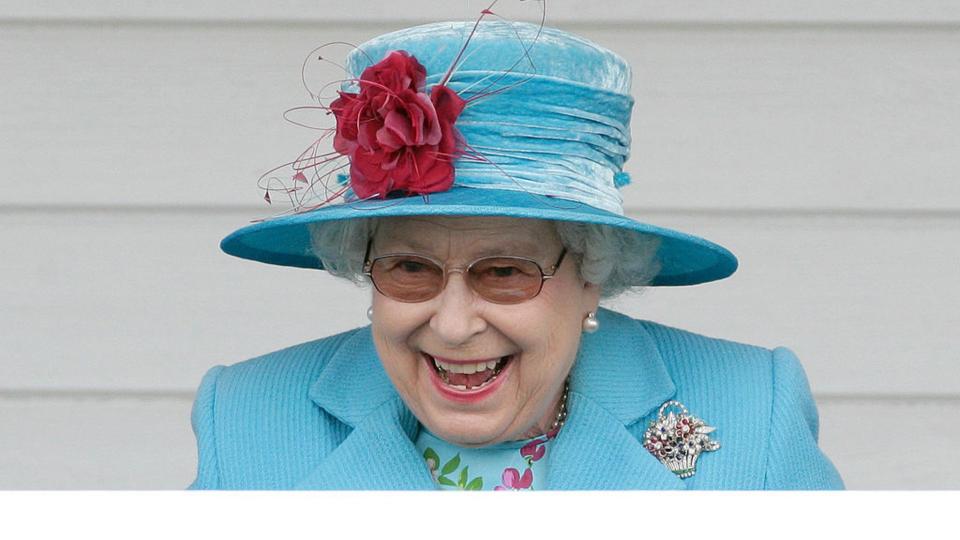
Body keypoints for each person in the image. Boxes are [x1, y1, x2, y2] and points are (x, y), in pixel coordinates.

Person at [188, 18, 843, 490]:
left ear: (593, 273)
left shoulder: (754, 409)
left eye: (504, 272)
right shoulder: (244, 419)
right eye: (409, 269)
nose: (452, 324)